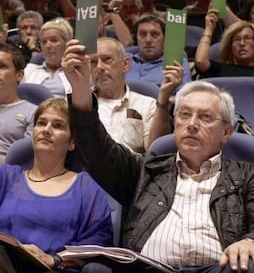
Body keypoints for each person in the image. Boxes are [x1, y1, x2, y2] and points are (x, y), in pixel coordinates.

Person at [62, 39, 254, 273]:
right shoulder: (147, 170)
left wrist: (249, 241)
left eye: (205, 117)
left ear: (226, 132)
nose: (192, 124)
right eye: (184, 115)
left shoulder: (246, 176)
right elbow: (98, 151)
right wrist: (81, 89)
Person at [0, 81, 113, 272]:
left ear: (72, 142)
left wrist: (55, 259)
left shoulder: (86, 188)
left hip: (54, 269)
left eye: (58, 126)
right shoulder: (6, 178)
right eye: (41, 123)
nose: (46, 130)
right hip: (1, 266)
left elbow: (97, 243)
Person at [91, 37, 182, 154]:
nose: (99, 67)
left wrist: (163, 101)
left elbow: (155, 153)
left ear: (125, 64)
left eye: (107, 59)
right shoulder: (80, 104)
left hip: (132, 170)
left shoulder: (147, 105)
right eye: (93, 61)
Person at [126, 13, 191, 91]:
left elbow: (183, 97)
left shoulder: (176, 63)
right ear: (136, 38)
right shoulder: (125, 60)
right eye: (143, 34)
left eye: (155, 34)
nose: (148, 40)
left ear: (165, 38)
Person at [22, 18, 73, 98]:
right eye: (44, 42)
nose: (48, 46)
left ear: (67, 43)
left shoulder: (77, 71)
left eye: (54, 40)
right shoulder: (29, 70)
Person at [195, 11, 254, 77]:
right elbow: (200, 62)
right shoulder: (219, 69)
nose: (242, 43)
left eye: (247, 38)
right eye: (236, 40)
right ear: (230, 46)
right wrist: (209, 29)